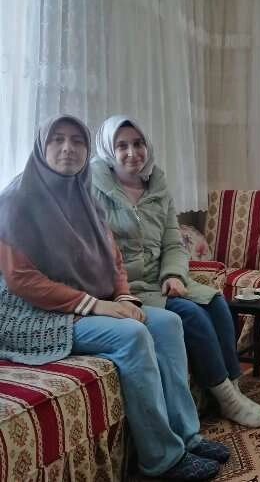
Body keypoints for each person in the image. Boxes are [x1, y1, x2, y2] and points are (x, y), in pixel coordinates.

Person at [0, 115, 226, 480]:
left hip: (88, 304)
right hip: (34, 314)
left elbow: (113, 257)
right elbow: (22, 279)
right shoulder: (17, 200)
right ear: (41, 147)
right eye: (57, 139)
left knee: (168, 323)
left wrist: (124, 297)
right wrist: (97, 305)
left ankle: (187, 435)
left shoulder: (85, 196)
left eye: (77, 140)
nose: (68, 148)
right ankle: (162, 459)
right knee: (132, 335)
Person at [91, 115, 260, 429]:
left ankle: (233, 388)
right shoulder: (93, 190)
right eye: (122, 146)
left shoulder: (157, 186)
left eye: (138, 143)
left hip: (160, 280)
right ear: (108, 149)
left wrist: (172, 274)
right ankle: (226, 398)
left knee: (216, 302)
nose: (132, 152)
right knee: (191, 315)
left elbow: (173, 242)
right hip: (127, 288)